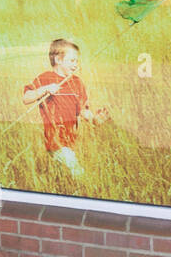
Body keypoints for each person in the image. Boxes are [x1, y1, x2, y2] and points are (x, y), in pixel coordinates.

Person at [22, 38, 107, 177]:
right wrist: (46, 89)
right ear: (58, 59)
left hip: (71, 140)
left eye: (77, 61)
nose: (76, 65)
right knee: (78, 173)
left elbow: (83, 111)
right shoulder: (45, 78)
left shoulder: (77, 82)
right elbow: (26, 98)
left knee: (61, 176)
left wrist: (95, 119)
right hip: (55, 140)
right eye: (72, 61)